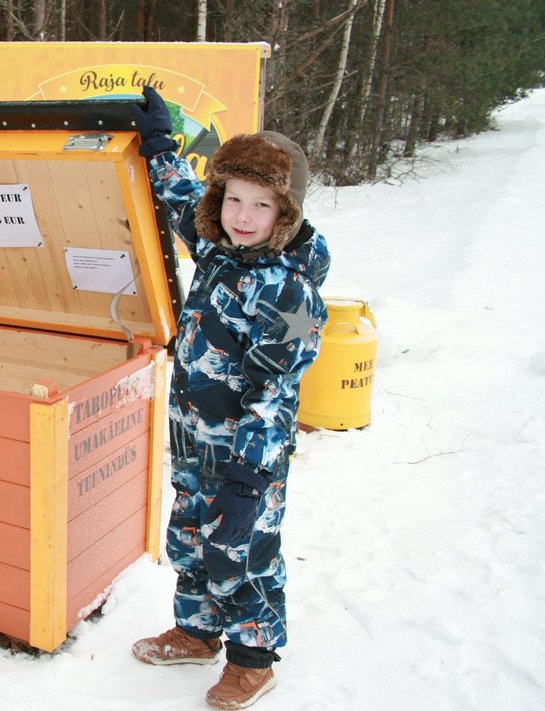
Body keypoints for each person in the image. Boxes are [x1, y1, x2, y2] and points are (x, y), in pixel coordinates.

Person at [128, 86, 330, 709]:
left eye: (261, 205)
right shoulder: (217, 240)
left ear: (285, 213)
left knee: (242, 548)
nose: (244, 215)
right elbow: (180, 193)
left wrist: (250, 476)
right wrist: (161, 145)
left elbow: (278, 389)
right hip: (193, 434)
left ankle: (252, 658)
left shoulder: (290, 293)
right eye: (235, 199)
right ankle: (197, 631)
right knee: (190, 534)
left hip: (247, 454)